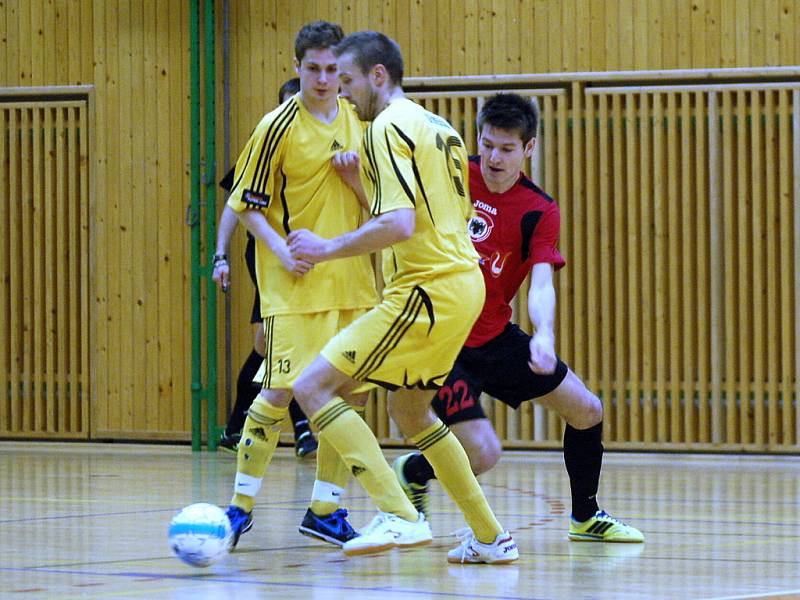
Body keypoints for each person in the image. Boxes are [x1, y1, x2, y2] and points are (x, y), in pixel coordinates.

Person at [284, 31, 519, 564]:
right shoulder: (437, 127)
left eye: (346, 82)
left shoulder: (386, 127)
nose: (340, 94)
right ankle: (490, 536)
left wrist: (324, 249)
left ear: (377, 76)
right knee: (410, 410)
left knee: (313, 386)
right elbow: (432, 218)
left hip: (425, 288)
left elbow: (398, 222)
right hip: (460, 285)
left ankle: (399, 514)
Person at [390, 93, 644, 543]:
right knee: (484, 453)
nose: (493, 158)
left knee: (587, 410)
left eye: (507, 149)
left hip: (492, 336)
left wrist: (544, 334)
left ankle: (585, 517)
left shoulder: (539, 209)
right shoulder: (451, 175)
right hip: (441, 338)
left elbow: (542, 280)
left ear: (529, 149)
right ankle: (414, 471)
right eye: (487, 145)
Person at [221, 21, 380, 550]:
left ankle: (326, 508)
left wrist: (356, 178)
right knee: (280, 388)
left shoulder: (361, 122)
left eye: (334, 69)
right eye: (313, 68)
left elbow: (377, 207)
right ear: (297, 67)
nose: (323, 78)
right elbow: (245, 203)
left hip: (354, 281)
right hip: (294, 285)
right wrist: (282, 248)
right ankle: (240, 507)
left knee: (350, 393)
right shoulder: (277, 126)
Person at [213, 77, 319, 459]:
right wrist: (220, 254)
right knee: (276, 340)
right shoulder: (265, 143)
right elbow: (235, 203)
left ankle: (238, 427)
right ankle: (296, 427)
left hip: (310, 255)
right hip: (269, 258)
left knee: (270, 343)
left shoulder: (323, 143)